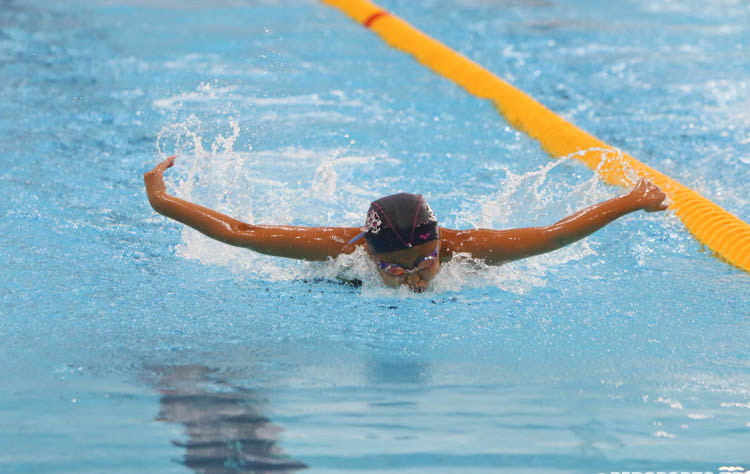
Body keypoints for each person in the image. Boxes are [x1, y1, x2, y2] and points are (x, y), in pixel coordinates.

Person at [144, 155, 668, 292]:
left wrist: (632, 200)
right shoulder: (339, 251)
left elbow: (553, 236)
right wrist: (162, 201)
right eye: (394, 272)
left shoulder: (466, 250)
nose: (416, 279)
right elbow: (244, 234)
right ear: (368, 255)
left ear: (440, 244)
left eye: (424, 263)